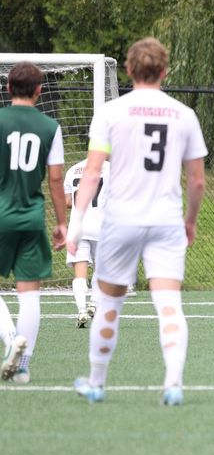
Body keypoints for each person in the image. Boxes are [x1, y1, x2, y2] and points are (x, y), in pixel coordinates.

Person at [69, 37, 207, 405]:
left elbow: (92, 173)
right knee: (169, 304)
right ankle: (173, 383)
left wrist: (76, 223)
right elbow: (196, 180)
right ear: (164, 71)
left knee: (109, 302)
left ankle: (97, 382)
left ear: (129, 70)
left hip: (121, 220)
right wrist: (190, 221)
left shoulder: (111, 113)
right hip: (165, 220)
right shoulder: (184, 115)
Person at [0, 62, 68, 383]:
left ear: (8, 88)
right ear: (40, 90)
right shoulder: (51, 127)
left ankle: (10, 338)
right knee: (29, 294)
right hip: (31, 218)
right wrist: (63, 224)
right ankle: (22, 365)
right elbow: (56, 181)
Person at [64, 156, 110, 328]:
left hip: (78, 227)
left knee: (80, 271)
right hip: (101, 227)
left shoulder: (73, 170)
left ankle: (82, 310)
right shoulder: (110, 168)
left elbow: (68, 201)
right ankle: (94, 303)